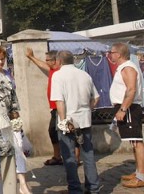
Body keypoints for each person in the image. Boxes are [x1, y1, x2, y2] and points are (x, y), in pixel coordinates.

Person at [50, 50, 100, 194]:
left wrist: (64, 120)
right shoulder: (85, 75)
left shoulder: (58, 76)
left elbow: (59, 101)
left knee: (69, 157)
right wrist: (86, 109)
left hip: (68, 120)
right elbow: (96, 98)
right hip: (84, 120)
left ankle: (75, 189)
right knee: (88, 155)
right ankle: (93, 188)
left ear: (59, 61)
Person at [0, 46, 32, 194]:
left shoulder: (7, 74)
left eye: (2, 59)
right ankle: (2, 186)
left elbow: (13, 96)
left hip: (10, 117)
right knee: (2, 151)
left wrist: (16, 116)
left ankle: (19, 184)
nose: (0, 62)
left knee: (17, 147)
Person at [108, 42, 144, 188]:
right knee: (133, 141)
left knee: (137, 142)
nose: (110, 55)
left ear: (118, 54)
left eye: (111, 52)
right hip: (126, 108)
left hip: (129, 108)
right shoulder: (123, 67)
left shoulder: (128, 67)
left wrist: (123, 109)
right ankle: (138, 172)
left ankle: (141, 176)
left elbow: (131, 90)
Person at [25, 47, 65, 166]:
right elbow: (42, 65)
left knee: (66, 132)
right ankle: (57, 156)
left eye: (48, 60)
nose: (46, 61)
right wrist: (31, 57)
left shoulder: (61, 72)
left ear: (55, 61)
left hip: (61, 107)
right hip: (54, 108)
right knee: (53, 132)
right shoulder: (52, 70)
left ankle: (75, 158)